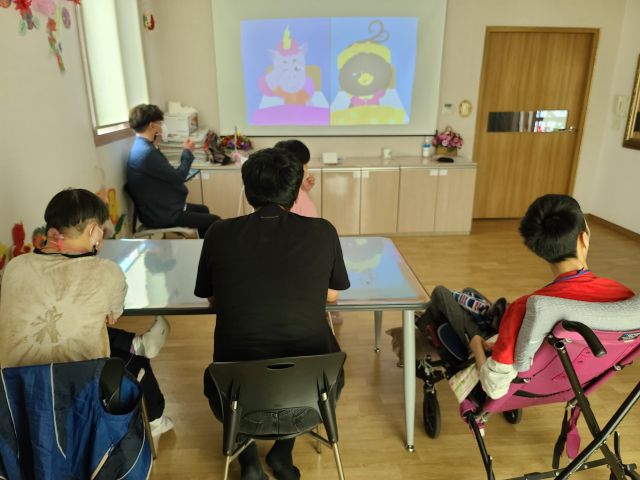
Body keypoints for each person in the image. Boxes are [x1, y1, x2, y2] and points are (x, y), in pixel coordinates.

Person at [195, 148, 350, 480]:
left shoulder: (218, 233)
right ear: (295, 193)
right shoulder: (323, 231)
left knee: (240, 367)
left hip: (234, 399)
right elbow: (333, 294)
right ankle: (282, 454)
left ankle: (249, 462)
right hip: (311, 398)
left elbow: (211, 297)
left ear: (248, 190)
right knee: (306, 356)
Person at [0, 188, 174, 441]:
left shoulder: (15, 267)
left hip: (14, 393)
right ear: (94, 231)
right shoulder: (107, 272)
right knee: (124, 353)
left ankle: (138, 345)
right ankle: (154, 414)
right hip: (80, 392)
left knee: (73, 323)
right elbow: (112, 315)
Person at [469, 194, 634, 399]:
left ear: (539, 249)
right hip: (584, 382)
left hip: (528, 389)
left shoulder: (524, 308)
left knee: (448, 300)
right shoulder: (625, 299)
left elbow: (495, 389)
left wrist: (476, 344)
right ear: (583, 238)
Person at [126, 103, 220, 238]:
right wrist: (187, 152)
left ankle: (204, 247)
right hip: (161, 214)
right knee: (215, 221)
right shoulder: (147, 153)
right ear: (152, 126)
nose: (162, 126)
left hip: (157, 208)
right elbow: (179, 177)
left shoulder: (140, 147)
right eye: (160, 123)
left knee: (203, 210)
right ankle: (209, 249)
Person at [274, 139, 318, 218]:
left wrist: (303, 188)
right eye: (304, 165)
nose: (307, 168)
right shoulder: (286, 199)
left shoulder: (290, 188)